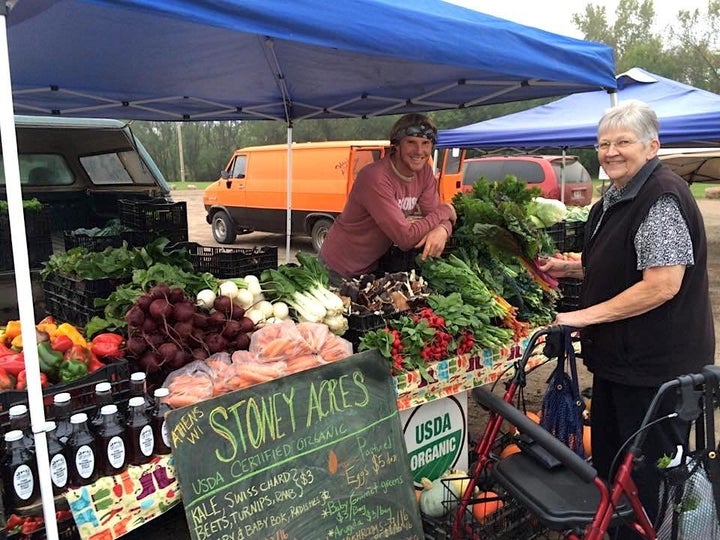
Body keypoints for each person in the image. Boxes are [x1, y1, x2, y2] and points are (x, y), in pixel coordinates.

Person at [538, 100, 715, 538]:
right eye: (602, 144)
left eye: (623, 142)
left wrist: (582, 315)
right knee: (615, 464)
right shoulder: (616, 197)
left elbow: (661, 284)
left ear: (652, 145)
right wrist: (575, 267)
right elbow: (627, 262)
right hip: (620, 363)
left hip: (657, 368)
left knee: (651, 473)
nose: (611, 151)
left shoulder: (662, 197)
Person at [319, 113, 456, 278]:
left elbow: (435, 216)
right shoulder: (374, 177)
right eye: (411, 142)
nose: (419, 151)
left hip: (370, 266)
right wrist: (446, 210)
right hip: (337, 268)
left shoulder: (424, 172)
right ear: (397, 145)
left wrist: (443, 229)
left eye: (426, 143)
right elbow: (405, 238)